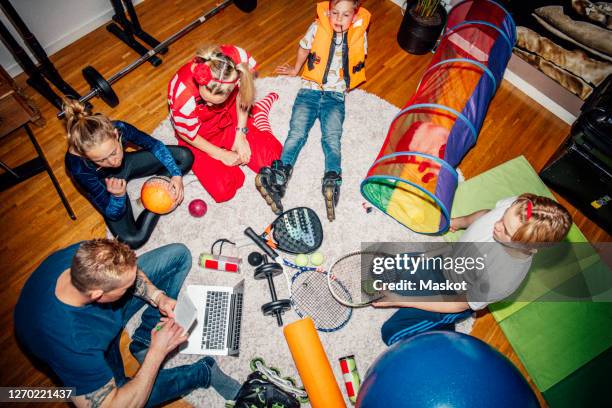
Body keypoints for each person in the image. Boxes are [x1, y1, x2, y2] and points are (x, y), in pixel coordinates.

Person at [14, 239, 241, 407]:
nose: (133, 288)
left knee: (178, 255)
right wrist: (157, 352)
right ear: (97, 294)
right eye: (127, 288)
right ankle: (204, 373)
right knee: (129, 394)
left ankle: (142, 340)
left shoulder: (85, 255)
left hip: (101, 318)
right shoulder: (73, 345)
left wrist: (157, 296)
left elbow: (132, 276)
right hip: (92, 343)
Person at [375, 193, 573, 345]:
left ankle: (442, 332)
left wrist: (402, 300)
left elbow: (457, 304)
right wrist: (458, 222)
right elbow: (486, 214)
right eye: (504, 217)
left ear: (529, 247)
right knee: (379, 269)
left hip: (454, 296)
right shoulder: (521, 207)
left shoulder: (502, 279)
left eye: (507, 231)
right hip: (446, 260)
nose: (497, 226)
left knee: (392, 332)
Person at [256, 0, 371, 219]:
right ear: (328, 12)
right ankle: (281, 174)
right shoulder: (317, 27)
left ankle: (332, 177)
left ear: (355, 15)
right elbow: (304, 47)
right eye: (335, 13)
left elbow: (359, 58)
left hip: (335, 96)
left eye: (345, 15)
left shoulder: (359, 34)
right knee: (297, 133)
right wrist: (296, 69)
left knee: (332, 138)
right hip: (309, 91)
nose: (338, 19)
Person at [63, 100, 194, 249]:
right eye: (101, 160)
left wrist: (176, 175)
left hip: (127, 164)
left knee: (184, 156)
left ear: (115, 134)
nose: (112, 162)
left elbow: (154, 145)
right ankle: (153, 200)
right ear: (86, 156)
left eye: (113, 152)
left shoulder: (120, 127)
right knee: (133, 240)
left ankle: (159, 187)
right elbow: (112, 213)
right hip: (107, 185)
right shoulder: (78, 166)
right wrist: (118, 196)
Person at [168, 44, 282, 203]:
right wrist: (221, 154)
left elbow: (244, 92)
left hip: (229, 115)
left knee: (275, 158)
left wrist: (241, 134)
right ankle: (256, 117)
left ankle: (260, 114)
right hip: (199, 135)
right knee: (224, 190)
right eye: (205, 100)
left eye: (215, 101)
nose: (209, 105)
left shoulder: (239, 59)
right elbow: (186, 134)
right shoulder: (182, 94)